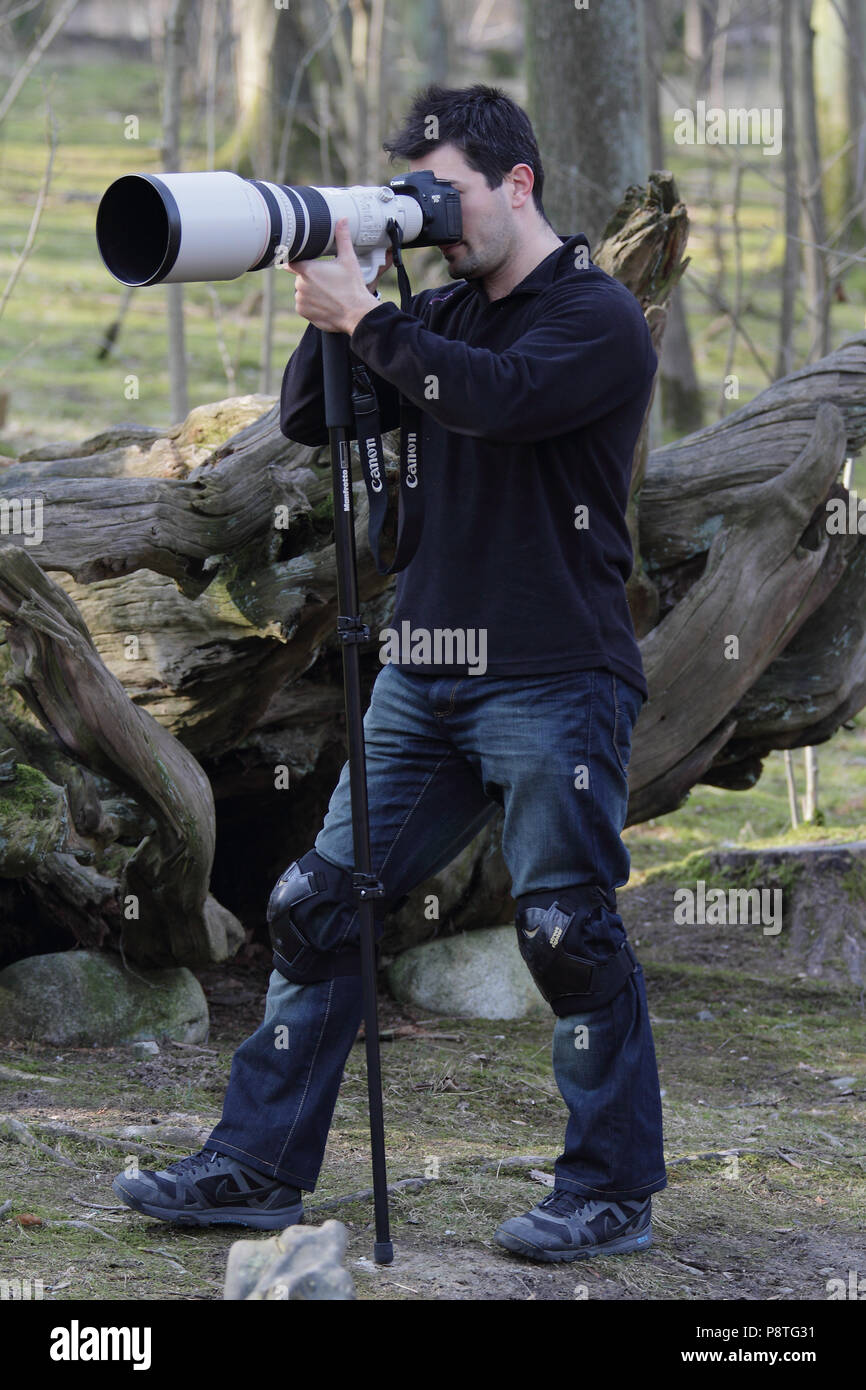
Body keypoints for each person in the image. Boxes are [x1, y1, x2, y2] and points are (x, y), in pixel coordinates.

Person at [113, 83, 666, 1263]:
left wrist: (370, 311)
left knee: (565, 928)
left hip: (554, 675)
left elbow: (500, 404)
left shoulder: (593, 315)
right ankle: (255, 1166)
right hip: (424, 670)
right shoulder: (442, 313)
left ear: (516, 184)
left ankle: (608, 1189)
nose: (430, 214)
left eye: (443, 191)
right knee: (318, 910)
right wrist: (335, 277)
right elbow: (319, 418)